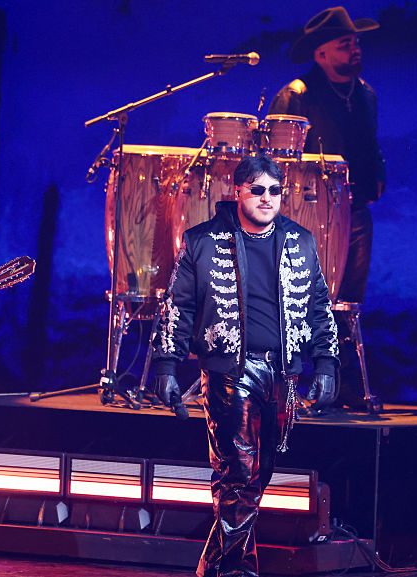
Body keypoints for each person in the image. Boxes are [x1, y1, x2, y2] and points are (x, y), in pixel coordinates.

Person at [151, 154, 339, 577]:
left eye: (274, 190)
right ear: (237, 191)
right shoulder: (202, 240)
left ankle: (214, 566)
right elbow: (178, 306)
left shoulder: (300, 240)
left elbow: (319, 307)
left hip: (282, 373)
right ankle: (236, 570)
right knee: (237, 472)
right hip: (228, 371)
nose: (267, 198)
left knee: (258, 476)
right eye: (257, 189)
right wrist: (167, 364)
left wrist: (326, 364)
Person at [269, 6, 385, 409]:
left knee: (348, 299)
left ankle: (342, 386)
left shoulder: (365, 94)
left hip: (356, 210)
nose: (354, 49)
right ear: (321, 54)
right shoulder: (297, 96)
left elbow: (369, 146)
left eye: (355, 42)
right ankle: (286, 384)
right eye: (344, 44)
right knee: (303, 297)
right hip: (309, 213)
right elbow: (277, 160)